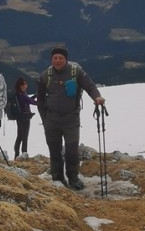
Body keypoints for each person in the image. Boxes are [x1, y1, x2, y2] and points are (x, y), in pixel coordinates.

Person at [36, 47, 105, 190]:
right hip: (51, 120)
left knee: (71, 151)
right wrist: (45, 119)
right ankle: (58, 178)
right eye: (55, 58)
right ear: (51, 59)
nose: (58, 60)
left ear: (65, 59)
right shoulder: (45, 75)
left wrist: (97, 97)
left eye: (60, 58)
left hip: (71, 119)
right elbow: (40, 100)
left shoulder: (76, 72)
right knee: (54, 150)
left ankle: (73, 177)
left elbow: (90, 86)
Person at [13, 77, 37, 159]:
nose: (26, 86)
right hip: (25, 118)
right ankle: (24, 154)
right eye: (24, 84)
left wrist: (35, 96)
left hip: (19, 118)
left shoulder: (18, 93)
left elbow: (28, 100)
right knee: (25, 137)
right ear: (21, 85)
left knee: (19, 136)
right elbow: (32, 102)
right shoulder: (23, 95)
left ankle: (16, 154)